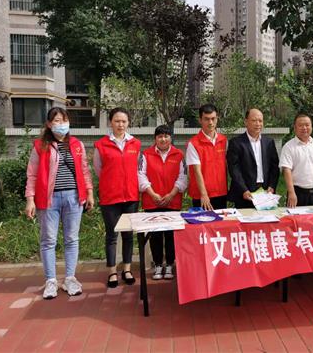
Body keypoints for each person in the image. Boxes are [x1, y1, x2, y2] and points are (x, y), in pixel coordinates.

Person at [25, 107, 94, 299]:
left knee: (71, 239)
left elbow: (85, 170)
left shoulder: (77, 144)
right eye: (56, 120)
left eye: (64, 120)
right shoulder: (40, 145)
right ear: (49, 124)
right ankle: (51, 281)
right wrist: (30, 199)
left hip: (74, 197)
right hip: (49, 200)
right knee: (48, 240)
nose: (61, 124)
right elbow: (32, 174)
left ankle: (70, 278)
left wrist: (89, 193)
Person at [94, 107, 141, 288]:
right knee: (111, 236)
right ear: (110, 122)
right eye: (117, 121)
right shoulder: (101, 145)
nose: (120, 124)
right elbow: (99, 170)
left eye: (124, 121)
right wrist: (112, 182)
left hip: (131, 197)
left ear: (128, 123)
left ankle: (127, 269)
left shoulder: (135, 144)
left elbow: (137, 168)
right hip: (110, 198)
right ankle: (112, 271)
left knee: (128, 235)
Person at [138, 125, 187, 280]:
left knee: (171, 235)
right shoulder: (146, 154)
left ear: (171, 138)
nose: (163, 139)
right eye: (160, 136)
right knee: (156, 235)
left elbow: (183, 177)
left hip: (173, 201)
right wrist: (153, 194)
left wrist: (171, 194)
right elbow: (140, 175)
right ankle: (158, 264)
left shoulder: (179, 155)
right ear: (155, 139)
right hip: (152, 201)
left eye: (166, 136)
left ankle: (170, 264)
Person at [227, 108, 280, 208]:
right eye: (254, 120)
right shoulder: (236, 143)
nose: (258, 124)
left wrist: (272, 186)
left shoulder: (269, 142)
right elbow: (234, 169)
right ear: (246, 122)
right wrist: (244, 190)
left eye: (260, 121)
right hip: (245, 193)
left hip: (265, 192)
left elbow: (274, 167)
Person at [280, 114, 313, 208]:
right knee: (297, 217)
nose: (304, 128)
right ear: (295, 128)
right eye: (300, 125)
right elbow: (287, 170)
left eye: (307, 125)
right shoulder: (288, 147)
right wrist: (291, 192)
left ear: (311, 127)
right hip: (298, 193)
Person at [186, 104, 228, 210]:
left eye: (213, 118)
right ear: (200, 120)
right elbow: (197, 171)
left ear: (217, 119)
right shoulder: (193, 143)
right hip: (202, 196)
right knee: (203, 221)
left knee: (221, 220)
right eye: (206, 119)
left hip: (221, 193)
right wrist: (204, 194)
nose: (210, 122)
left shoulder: (223, 140)